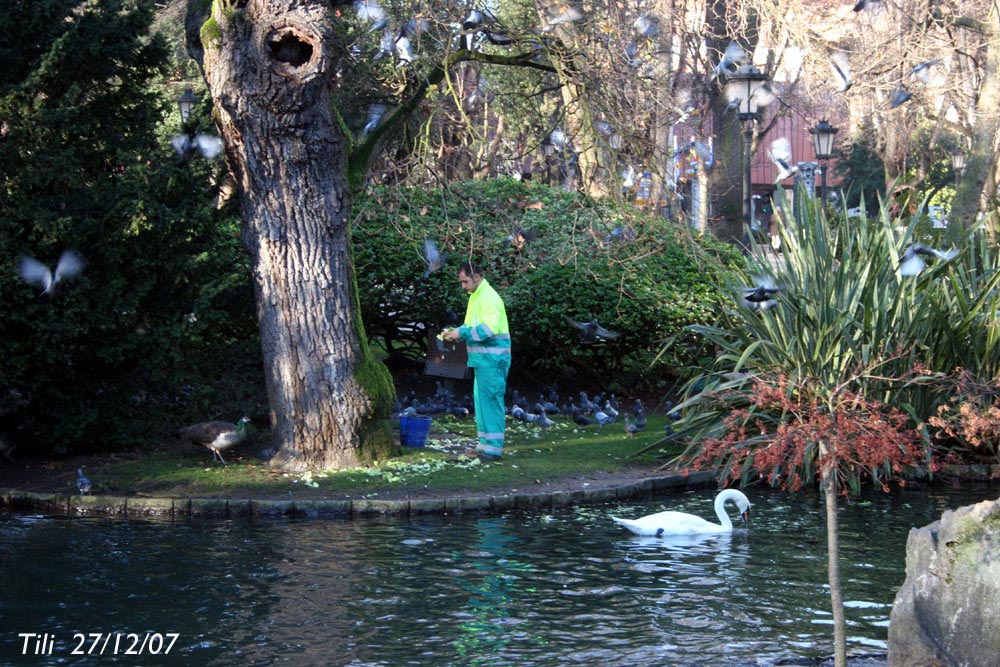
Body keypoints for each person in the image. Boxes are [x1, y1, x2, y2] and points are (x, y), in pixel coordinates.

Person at [441, 261, 511, 461]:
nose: (463, 286)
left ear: (477, 277)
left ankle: (493, 450)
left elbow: (488, 329)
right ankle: (485, 445)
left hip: (492, 361)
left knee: (490, 403)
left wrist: (460, 333)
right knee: (482, 404)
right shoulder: (477, 296)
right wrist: (456, 332)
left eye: (465, 282)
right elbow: (471, 326)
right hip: (484, 360)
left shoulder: (489, 298)